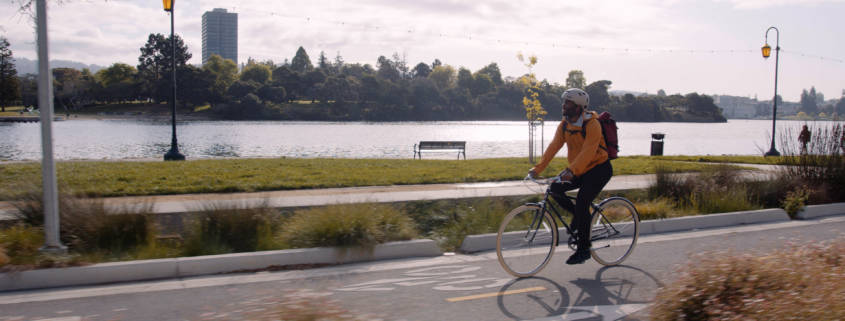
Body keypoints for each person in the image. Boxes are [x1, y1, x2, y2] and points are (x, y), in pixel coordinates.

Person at [527, 88, 613, 265]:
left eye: (568, 103)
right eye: (564, 102)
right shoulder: (565, 124)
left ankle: (584, 249)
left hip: (599, 169)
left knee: (583, 201)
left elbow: (588, 152)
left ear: (579, 107)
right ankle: (579, 216)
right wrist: (537, 169)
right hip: (579, 169)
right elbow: (553, 147)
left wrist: (570, 172)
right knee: (555, 188)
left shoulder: (592, 124)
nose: (564, 106)